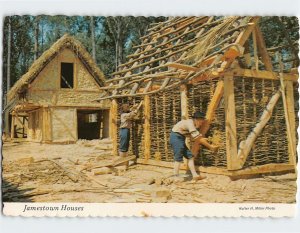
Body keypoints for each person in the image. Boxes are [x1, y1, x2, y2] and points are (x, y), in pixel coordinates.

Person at [170, 111, 219, 181]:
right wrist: (210, 147)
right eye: (201, 121)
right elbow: (199, 139)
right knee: (178, 157)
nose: (201, 123)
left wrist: (205, 139)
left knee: (190, 156)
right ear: (196, 119)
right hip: (176, 137)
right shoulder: (190, 124)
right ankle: (175, 177)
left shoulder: (191, 124)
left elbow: (195, 136)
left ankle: (195, 175)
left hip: (180, 138)